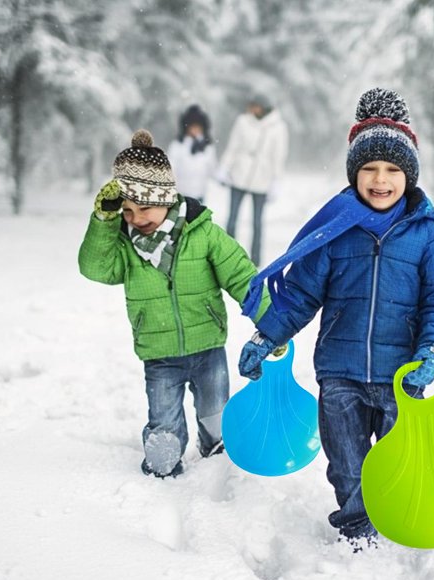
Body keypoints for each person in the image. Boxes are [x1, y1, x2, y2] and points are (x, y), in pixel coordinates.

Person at [237, 89, 434, 548]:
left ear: (409, 176)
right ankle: (360, 525)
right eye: (369, 170)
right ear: (354, 173)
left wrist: (433, 349)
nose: (381, 181)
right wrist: (268, 335)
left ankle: (399, 510)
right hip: (339, 373)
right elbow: (300, 292)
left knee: (401, 456)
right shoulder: (336, 229)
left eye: (393, 171)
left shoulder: (426, 236)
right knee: (345, 460)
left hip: (401, 375)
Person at [78, 129, 269, 478]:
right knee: (163, 418)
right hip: (159, 352)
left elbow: (242, 276)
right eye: (127, 211)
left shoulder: (203, 233)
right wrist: (104, 222)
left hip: (208, 347)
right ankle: (164, 456)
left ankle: (217, 455)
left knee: (215, 413)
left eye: (145, 208)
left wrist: (272, 320)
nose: (136, 219)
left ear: (166, 198)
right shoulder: (124, 245)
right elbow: (95, 268)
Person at [217, 93, 289, 265]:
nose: (251, 109)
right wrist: (224, 167)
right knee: (232, 218)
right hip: (239, 175)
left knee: (257, 222)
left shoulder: (278, 127)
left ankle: (256, 260)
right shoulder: (242, 121)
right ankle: (227, 256)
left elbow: (279, 156)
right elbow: (233, 146)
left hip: (262, 180)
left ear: (263, 107)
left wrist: (276, 182)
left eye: (255, 106)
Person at [167, 104, 216, 203]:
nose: (195, 130)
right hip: (181, 193)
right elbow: (171, 167)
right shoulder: (178, 145)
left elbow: (212, 168)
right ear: (186, 127)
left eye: (198, 127)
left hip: (199, 193)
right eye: (192, 127)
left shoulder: (207, 147)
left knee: (198, 218)